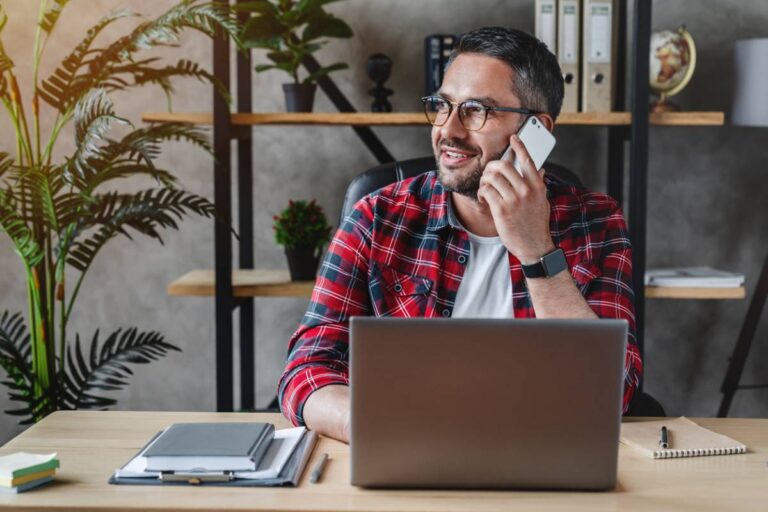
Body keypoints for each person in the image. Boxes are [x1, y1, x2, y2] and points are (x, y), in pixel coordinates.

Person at [278, 26, 643, 443]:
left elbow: (611, 391)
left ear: (536, 131)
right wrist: (383, 427)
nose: (448, 130)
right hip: (405, 452)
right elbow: (306, 370)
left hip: (541, 454)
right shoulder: (377, 219)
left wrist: (536, 250)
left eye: (476, 110)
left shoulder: (596, 222)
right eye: (442, 106)